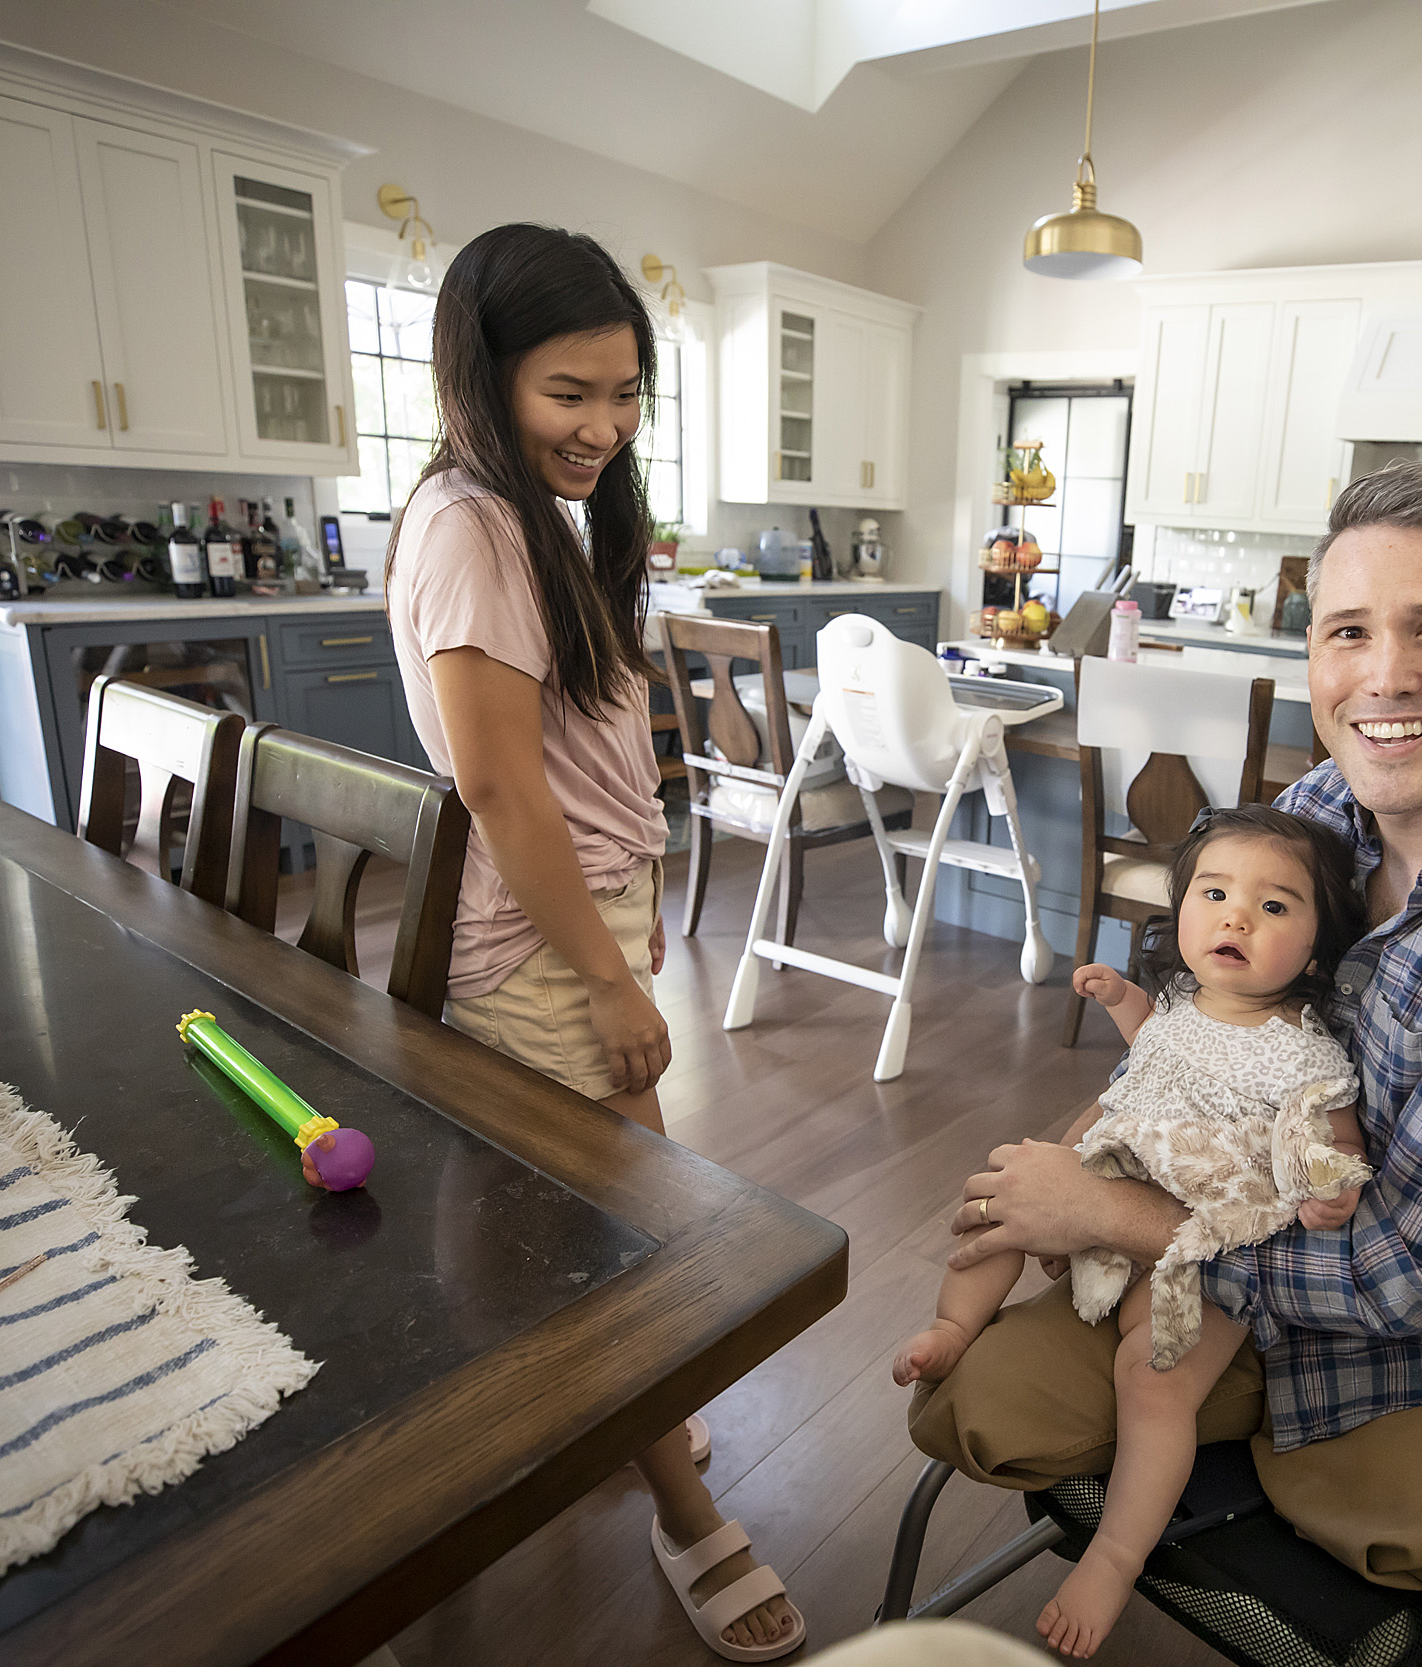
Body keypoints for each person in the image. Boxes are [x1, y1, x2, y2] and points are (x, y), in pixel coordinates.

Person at [908, 461, 1422, 1615]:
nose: (1386, 676)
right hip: (1231, 1250)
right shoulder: (1319, 809)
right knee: (970, 1403)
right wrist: (1091, 1150)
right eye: (1347, 631)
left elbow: (1408, 1271)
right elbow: (1198, 1033)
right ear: (1312, 655)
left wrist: (1104, 1213)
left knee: (1392, 1560)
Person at [386, 223, 802, 1661]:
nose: (605, 428)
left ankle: (595, 1431)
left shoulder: (522, 518)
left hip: (576, 919)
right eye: (571, 392)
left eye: (626, 394)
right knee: (615, 1243)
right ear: (481, 378)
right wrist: (617, 975)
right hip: (545, 945)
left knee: (585, 1219)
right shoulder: (474, 526)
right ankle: (685, 1508)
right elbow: (499, 787)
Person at [894, 806, 1372, 1657]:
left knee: (1155, 1384)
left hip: (1203, 1245)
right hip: (1117, 1176)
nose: (1235, 917)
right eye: (1216, 893)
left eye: (1274, 907)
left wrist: (1330, 1187)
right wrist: (1123, 1002)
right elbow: (1161, 1046)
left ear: (1317, 942)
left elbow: (1328, 1137)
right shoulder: (1184, 1004)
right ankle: (952, 1322)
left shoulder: (1308, 1052)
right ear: (1181, 905)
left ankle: (1114, 1555)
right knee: (1005, 1198)